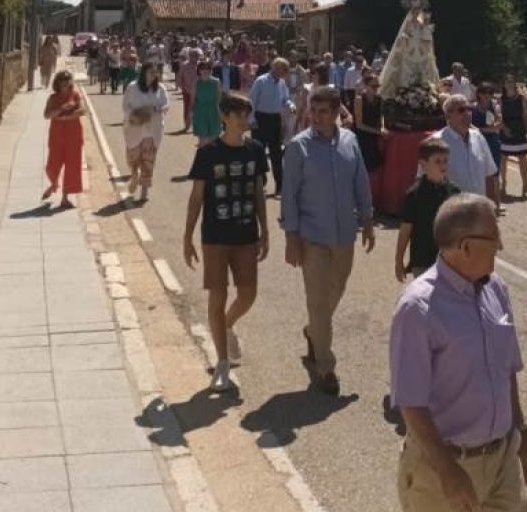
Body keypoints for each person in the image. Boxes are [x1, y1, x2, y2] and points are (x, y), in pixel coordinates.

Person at [390, 194, 527, 512]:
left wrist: (521, 433)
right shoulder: (418, 308)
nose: (500, 245)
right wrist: (448, 472)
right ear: (465, 246)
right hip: (444, 469)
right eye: (493, 237)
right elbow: (410, 403)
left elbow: (506, 368)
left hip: (502, 463)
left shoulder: (497, 289)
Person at [281, 86, 375, 396]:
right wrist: (291, 237)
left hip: (344, 233)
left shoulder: (350, 141)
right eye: (314, 110)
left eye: (324, 112)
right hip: (312, 236)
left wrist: (367, 219)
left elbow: (360, 180)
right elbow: (289, 196)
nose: (317, 117)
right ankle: (325, 367)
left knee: (337, 288)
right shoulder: (298, 147)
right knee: (318, 300)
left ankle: (313, 332)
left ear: (337, 113)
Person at [183, 92, 269, 393]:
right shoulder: (208, 153)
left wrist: (265, 229)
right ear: (224, 118)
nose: (244, 120)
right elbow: (196, 199)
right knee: (217, 296)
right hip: (215, 237)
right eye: (238, 115)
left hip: (246, 234)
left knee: (248, 294)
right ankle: (221, 362)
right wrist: (187, 237)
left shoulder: (256, 150)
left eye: (247, 114)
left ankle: (227, 325)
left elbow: (258, 191)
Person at [395, 138, 460, 281]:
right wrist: (398, 260)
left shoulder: (454, 192)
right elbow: (405, 230)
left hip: (449, 261)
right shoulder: (414, 194)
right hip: (422, 261)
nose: (443, 165)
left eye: (445, 160)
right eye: (437, 161)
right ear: (423, 164)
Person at [432, 95, 499, 212]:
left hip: (479, 210)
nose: (467, 113)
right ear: (448, 115)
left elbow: (489, 174)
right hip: (452, 214)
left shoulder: (478, 137)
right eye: (461, 110)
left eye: (469, 109)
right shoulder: (437, 142)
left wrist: (493, 206)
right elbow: (428, 182)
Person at [122, 63, 170, 202]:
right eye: (151, 72)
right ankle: (134, 175)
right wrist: (137, 115)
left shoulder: (160, 89)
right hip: (135, 129)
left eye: (156, 73)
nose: (154, 75)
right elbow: (125, 107)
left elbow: (166, 105)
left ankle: (144, 192)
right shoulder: (132, 87)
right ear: (143, 73)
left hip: (152, 130)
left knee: (148, 161)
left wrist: (155, 109)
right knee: (133, 158)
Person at [248, 58, 294, 196]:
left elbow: (285, 99)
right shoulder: (261, 81)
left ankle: (280, 187)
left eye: (286, 70)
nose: (285, 73)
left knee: (276, 154)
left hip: (275, 120)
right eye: (283, 69)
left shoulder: (282, 83)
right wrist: (251, 119)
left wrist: (291, 105)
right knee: (258, 152)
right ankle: (260, 182)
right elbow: (251, 101)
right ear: (275, 68)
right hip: (260, 119)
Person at [42, 70, 84, 208]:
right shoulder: (53, 98)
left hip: (74, 135)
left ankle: (65, 198)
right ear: (58, 83)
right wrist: (62, 109)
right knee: (52, 165)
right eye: (63, 80)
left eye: (68, 80)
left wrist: (68, 116)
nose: (66, 83)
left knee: (72, 167)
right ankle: (54, 184)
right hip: (57, 135)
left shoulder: (75, 95)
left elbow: (82, 110)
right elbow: (47, 115)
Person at [499, 76, 527, 199]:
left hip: (519, 128)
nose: (509, 84)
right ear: (504, 85)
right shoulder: (501, 99)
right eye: (507, 82)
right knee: (503, 159)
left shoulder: (521, 98)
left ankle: (525, 186)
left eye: (511, 82)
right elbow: (498, 116)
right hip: (506, 129)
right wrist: (504, 128)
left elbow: (525, 114)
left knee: (523, 159)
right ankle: (503, 185)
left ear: (514, 84)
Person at [353, 74, 385, 194]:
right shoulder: (359, 100)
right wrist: (378, 131)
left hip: (374, 136)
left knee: (375, 168)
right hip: (362, 136)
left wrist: (382, 128)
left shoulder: (379, 99)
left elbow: (381, 118)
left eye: (378, 86)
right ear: (365, 86)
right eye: (373, 86)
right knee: (363, 167)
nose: (376, 89)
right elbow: (359, 124)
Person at [471, 83, 502, 172]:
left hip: (492, 142)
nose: (487, 95)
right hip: (476, 142)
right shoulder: (472, 107)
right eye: (484, 92)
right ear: (479, 93)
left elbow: (499, 125)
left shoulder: (496, 107)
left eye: (490, 93)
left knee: (494, 172)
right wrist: (490, 129)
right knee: (478, 171)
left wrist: (480, 130)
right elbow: (468, 125)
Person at [192, 61, 222, 147]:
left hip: (213, 111)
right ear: (199, 70)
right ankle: (203, 157)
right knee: (202, 138)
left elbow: (219, 99)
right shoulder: (196, 82)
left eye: (207, 68)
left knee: (215, 136)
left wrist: (220, 112)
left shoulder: (216, 82)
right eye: (202, 68)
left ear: (210, 70)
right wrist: (192, 112)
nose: (205, 70)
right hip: (200, 111)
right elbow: (193, 99)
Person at [178, 46, 202, 132]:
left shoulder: (201, 65)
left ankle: (197, 125)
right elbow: (179, 78)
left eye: (197, 55)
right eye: (193, 55)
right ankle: (187, 125)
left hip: (199, 91)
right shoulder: (184, 65)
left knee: (199, 108)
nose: (195, 57)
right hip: (187, 91)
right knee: (187, 108)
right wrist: (183, 88)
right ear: (190, 55)